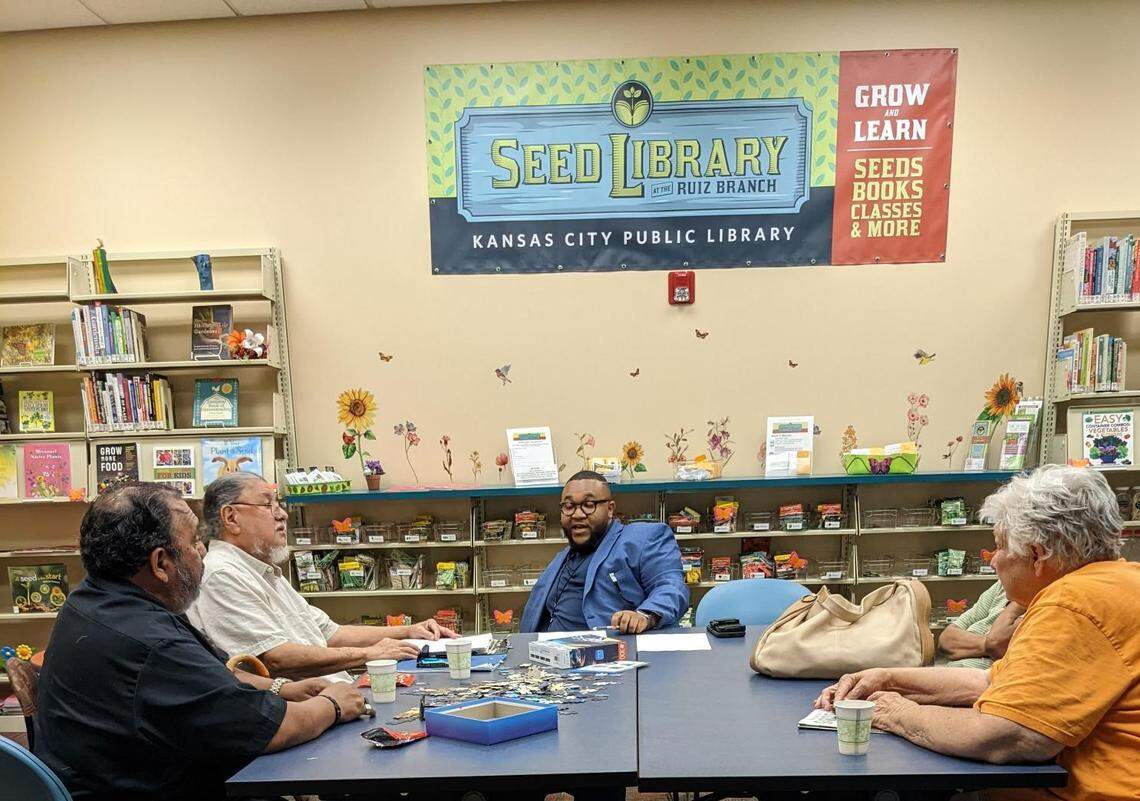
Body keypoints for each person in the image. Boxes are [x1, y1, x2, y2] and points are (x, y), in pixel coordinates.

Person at [815, 466, 1140, 801]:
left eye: (999, 546)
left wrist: (896, 713)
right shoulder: (1118, 583)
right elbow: (994, 683)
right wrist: (887, 679)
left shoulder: (1073, 604)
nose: (993, 561)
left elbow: (1008, 735)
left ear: (1037, 553)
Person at [34, 483, 366, 801]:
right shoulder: (152, 645)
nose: (203, 551)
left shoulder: (94, 600)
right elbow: (270, 729)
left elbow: (212, 676)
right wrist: (333, 705)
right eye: (194, 542)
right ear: (160, 563)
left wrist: (280, 688)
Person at [189, 472, 456, 682]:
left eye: (279, 504)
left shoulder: (262, 571)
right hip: (312, 709)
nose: (282, 513)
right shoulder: (223, 574)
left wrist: (408, 631)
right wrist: (371, 654)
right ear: (231, 517)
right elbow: (275, 658)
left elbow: (331, 634)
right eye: (267, 504)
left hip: (337, 693)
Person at [520, 470, 688, 634]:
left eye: (588, 505)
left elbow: (672, 587)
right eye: (569, 506)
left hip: (605, 654)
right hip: (544, 654)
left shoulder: (642, 538)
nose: (577, 515)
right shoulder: (561, 558)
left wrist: (644, 615)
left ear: (610, 509)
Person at [937, 580, 1025, 669]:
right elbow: (946, 638)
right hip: (953, 673)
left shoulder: (1035, 606)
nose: (992, 565)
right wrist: (988, 644)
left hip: (987, 679)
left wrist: (966, 644)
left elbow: (999, 644)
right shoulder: (1002, 585)